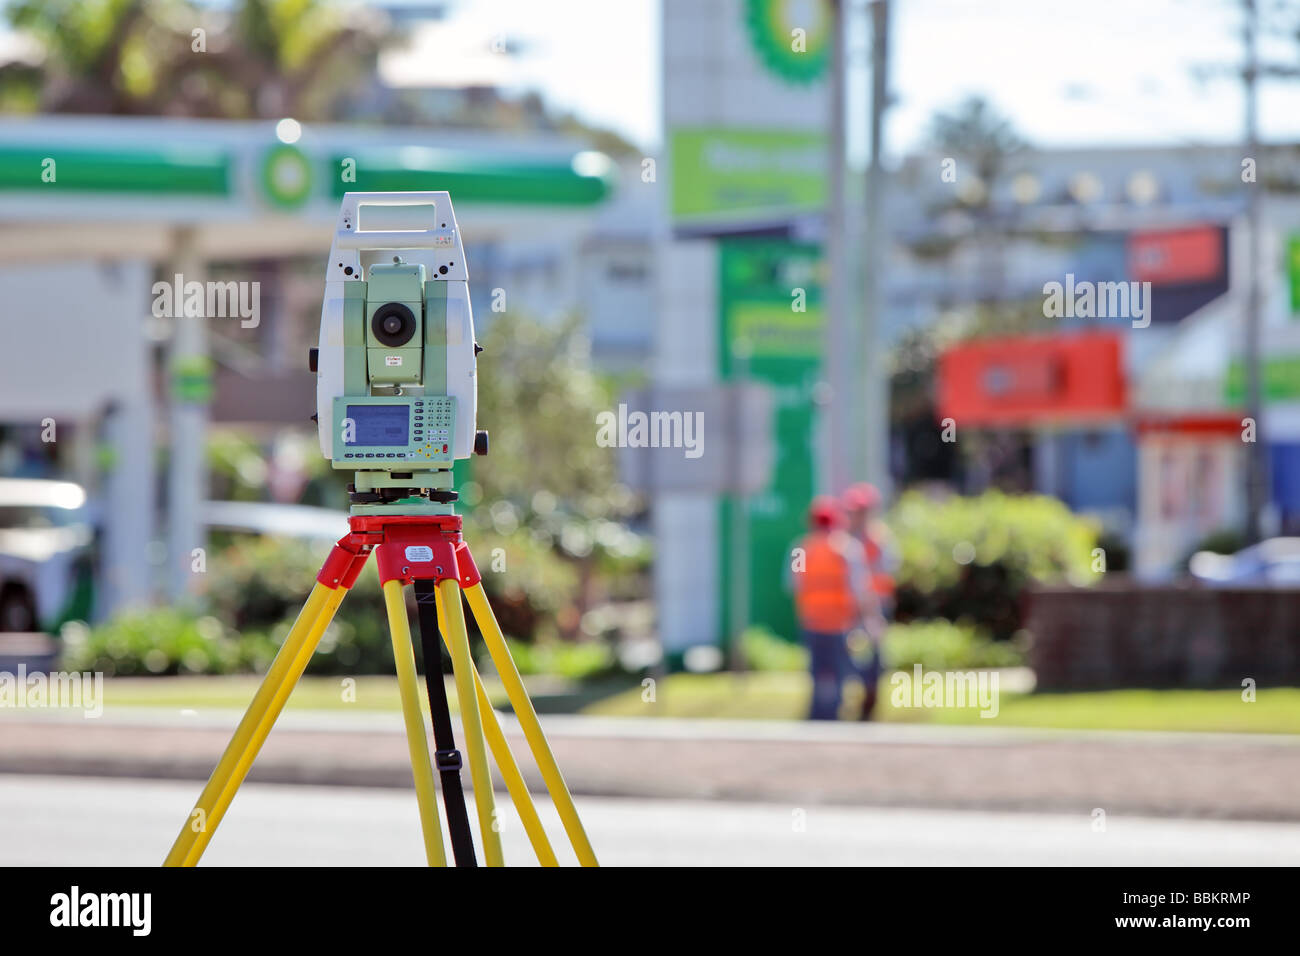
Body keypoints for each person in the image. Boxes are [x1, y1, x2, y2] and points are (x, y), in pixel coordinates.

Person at [790, 496, 882, 721]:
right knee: (839, 672)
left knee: (817, 673)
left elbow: (794, 583)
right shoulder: (847, 549)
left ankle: (818, 715)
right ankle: (832, 716)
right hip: (840, 622)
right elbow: (860, 588)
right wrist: (869, 618)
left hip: (811, 620)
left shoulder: (801, 549)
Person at [842, 483, 896, 718]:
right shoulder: (842, 539)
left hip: (875, 608)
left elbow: (888, 573)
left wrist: (873, 608)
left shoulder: (880, 539)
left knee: (874, 659)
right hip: (848, 609)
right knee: (845, 658)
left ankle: (869, 704)